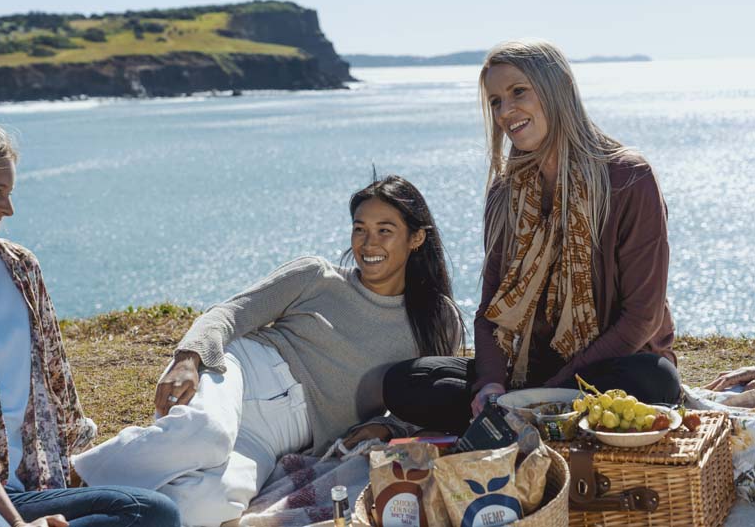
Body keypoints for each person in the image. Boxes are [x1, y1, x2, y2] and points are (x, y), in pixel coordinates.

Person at [71, 174, 464, 526]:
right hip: (244, 373)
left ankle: (97, 513)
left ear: (416, 238)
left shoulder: (435, 319)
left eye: (385, 230)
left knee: (205, 506)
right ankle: (74, 474)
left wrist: (387, 427)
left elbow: (426, 403)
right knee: (204, 435)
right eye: (360, 229)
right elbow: (229, 314)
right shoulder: (316, 276)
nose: (368, 243)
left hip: (281, 435)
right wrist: (188, 357)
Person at [383, 39, 681, 434]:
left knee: (654, 381)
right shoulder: (505, 192)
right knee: (405, 383)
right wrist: (492, 384)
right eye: (494, 101)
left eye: (518, 92)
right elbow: (491, 309)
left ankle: (520, 421)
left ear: (556, 88)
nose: (506, 112)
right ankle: (535, 421)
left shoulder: (628, 178)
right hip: (527, 370)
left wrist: (549, 393)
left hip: (606, 369)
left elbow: (641, 318)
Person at [0, 119, 181, 527]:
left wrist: (75, 460)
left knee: (153, 512)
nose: (8, 208)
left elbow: (57, 376)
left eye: (9, 192)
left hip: (34, 482)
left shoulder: (21, 266)